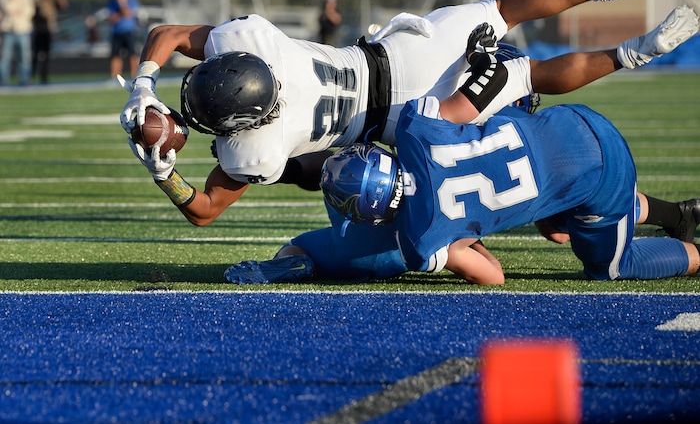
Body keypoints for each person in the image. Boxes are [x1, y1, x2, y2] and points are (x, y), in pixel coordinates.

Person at [120, 0, 681, 229]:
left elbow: (204, 211)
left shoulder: (255, 149)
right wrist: (144, 80)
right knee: (504, 10)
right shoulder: (258, 41)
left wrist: (164, 173)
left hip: (410, 119)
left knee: (528, 82)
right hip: (405, 53)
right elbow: (166, 36)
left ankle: (637, 51)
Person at [224, 24, 700, 285]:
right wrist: (486, 62)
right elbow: (476, 96)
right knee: (558, 227)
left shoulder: (423, 235)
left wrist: (454, 247)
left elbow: (492, 277)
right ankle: (670, 214)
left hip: (601, 170)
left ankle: (695, 255)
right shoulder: (414, 131)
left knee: (612, 268)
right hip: (570, 122)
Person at [0, 0, 35, 86]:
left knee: (24, 57)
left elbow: (29, 12)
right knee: (5, 57)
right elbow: (3, 11)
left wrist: (13, 12)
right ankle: (3, 80)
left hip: (22, 30)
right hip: (7, 30)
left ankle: (25, 79)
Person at [32, 0, 68, 84]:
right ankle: (31, 76)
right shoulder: (38, 2)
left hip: (48, 31)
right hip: (39, 31)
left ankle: (44, 77)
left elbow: (63, 4)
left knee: (46, 56)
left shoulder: (52, 3)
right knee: (35, 55)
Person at [108, 0, 140, 79]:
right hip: (117, 31)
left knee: (132, 54)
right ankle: (115, 77)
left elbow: (127, 13)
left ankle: (134, 76)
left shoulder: (132, 0)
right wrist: (120, 13)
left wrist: (122, 3)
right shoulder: (112, 1)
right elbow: (112, 18)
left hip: (129, 31)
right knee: (115, 55)